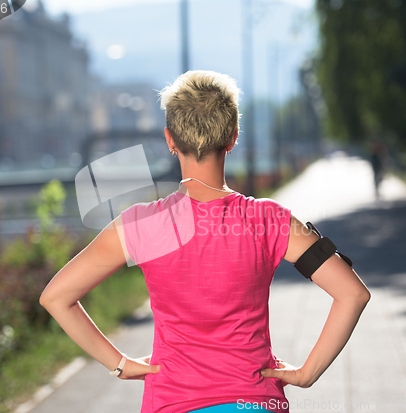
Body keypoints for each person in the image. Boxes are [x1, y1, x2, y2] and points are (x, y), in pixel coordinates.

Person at [39, 70, 371, 412]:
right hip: (254, 401)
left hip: (171, 400)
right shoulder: (272, 220)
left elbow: (57, 297)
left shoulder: (139, 224)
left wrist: (119, 364)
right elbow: (353, 293)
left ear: (170, 139)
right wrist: (306, 374)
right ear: (232, 137)